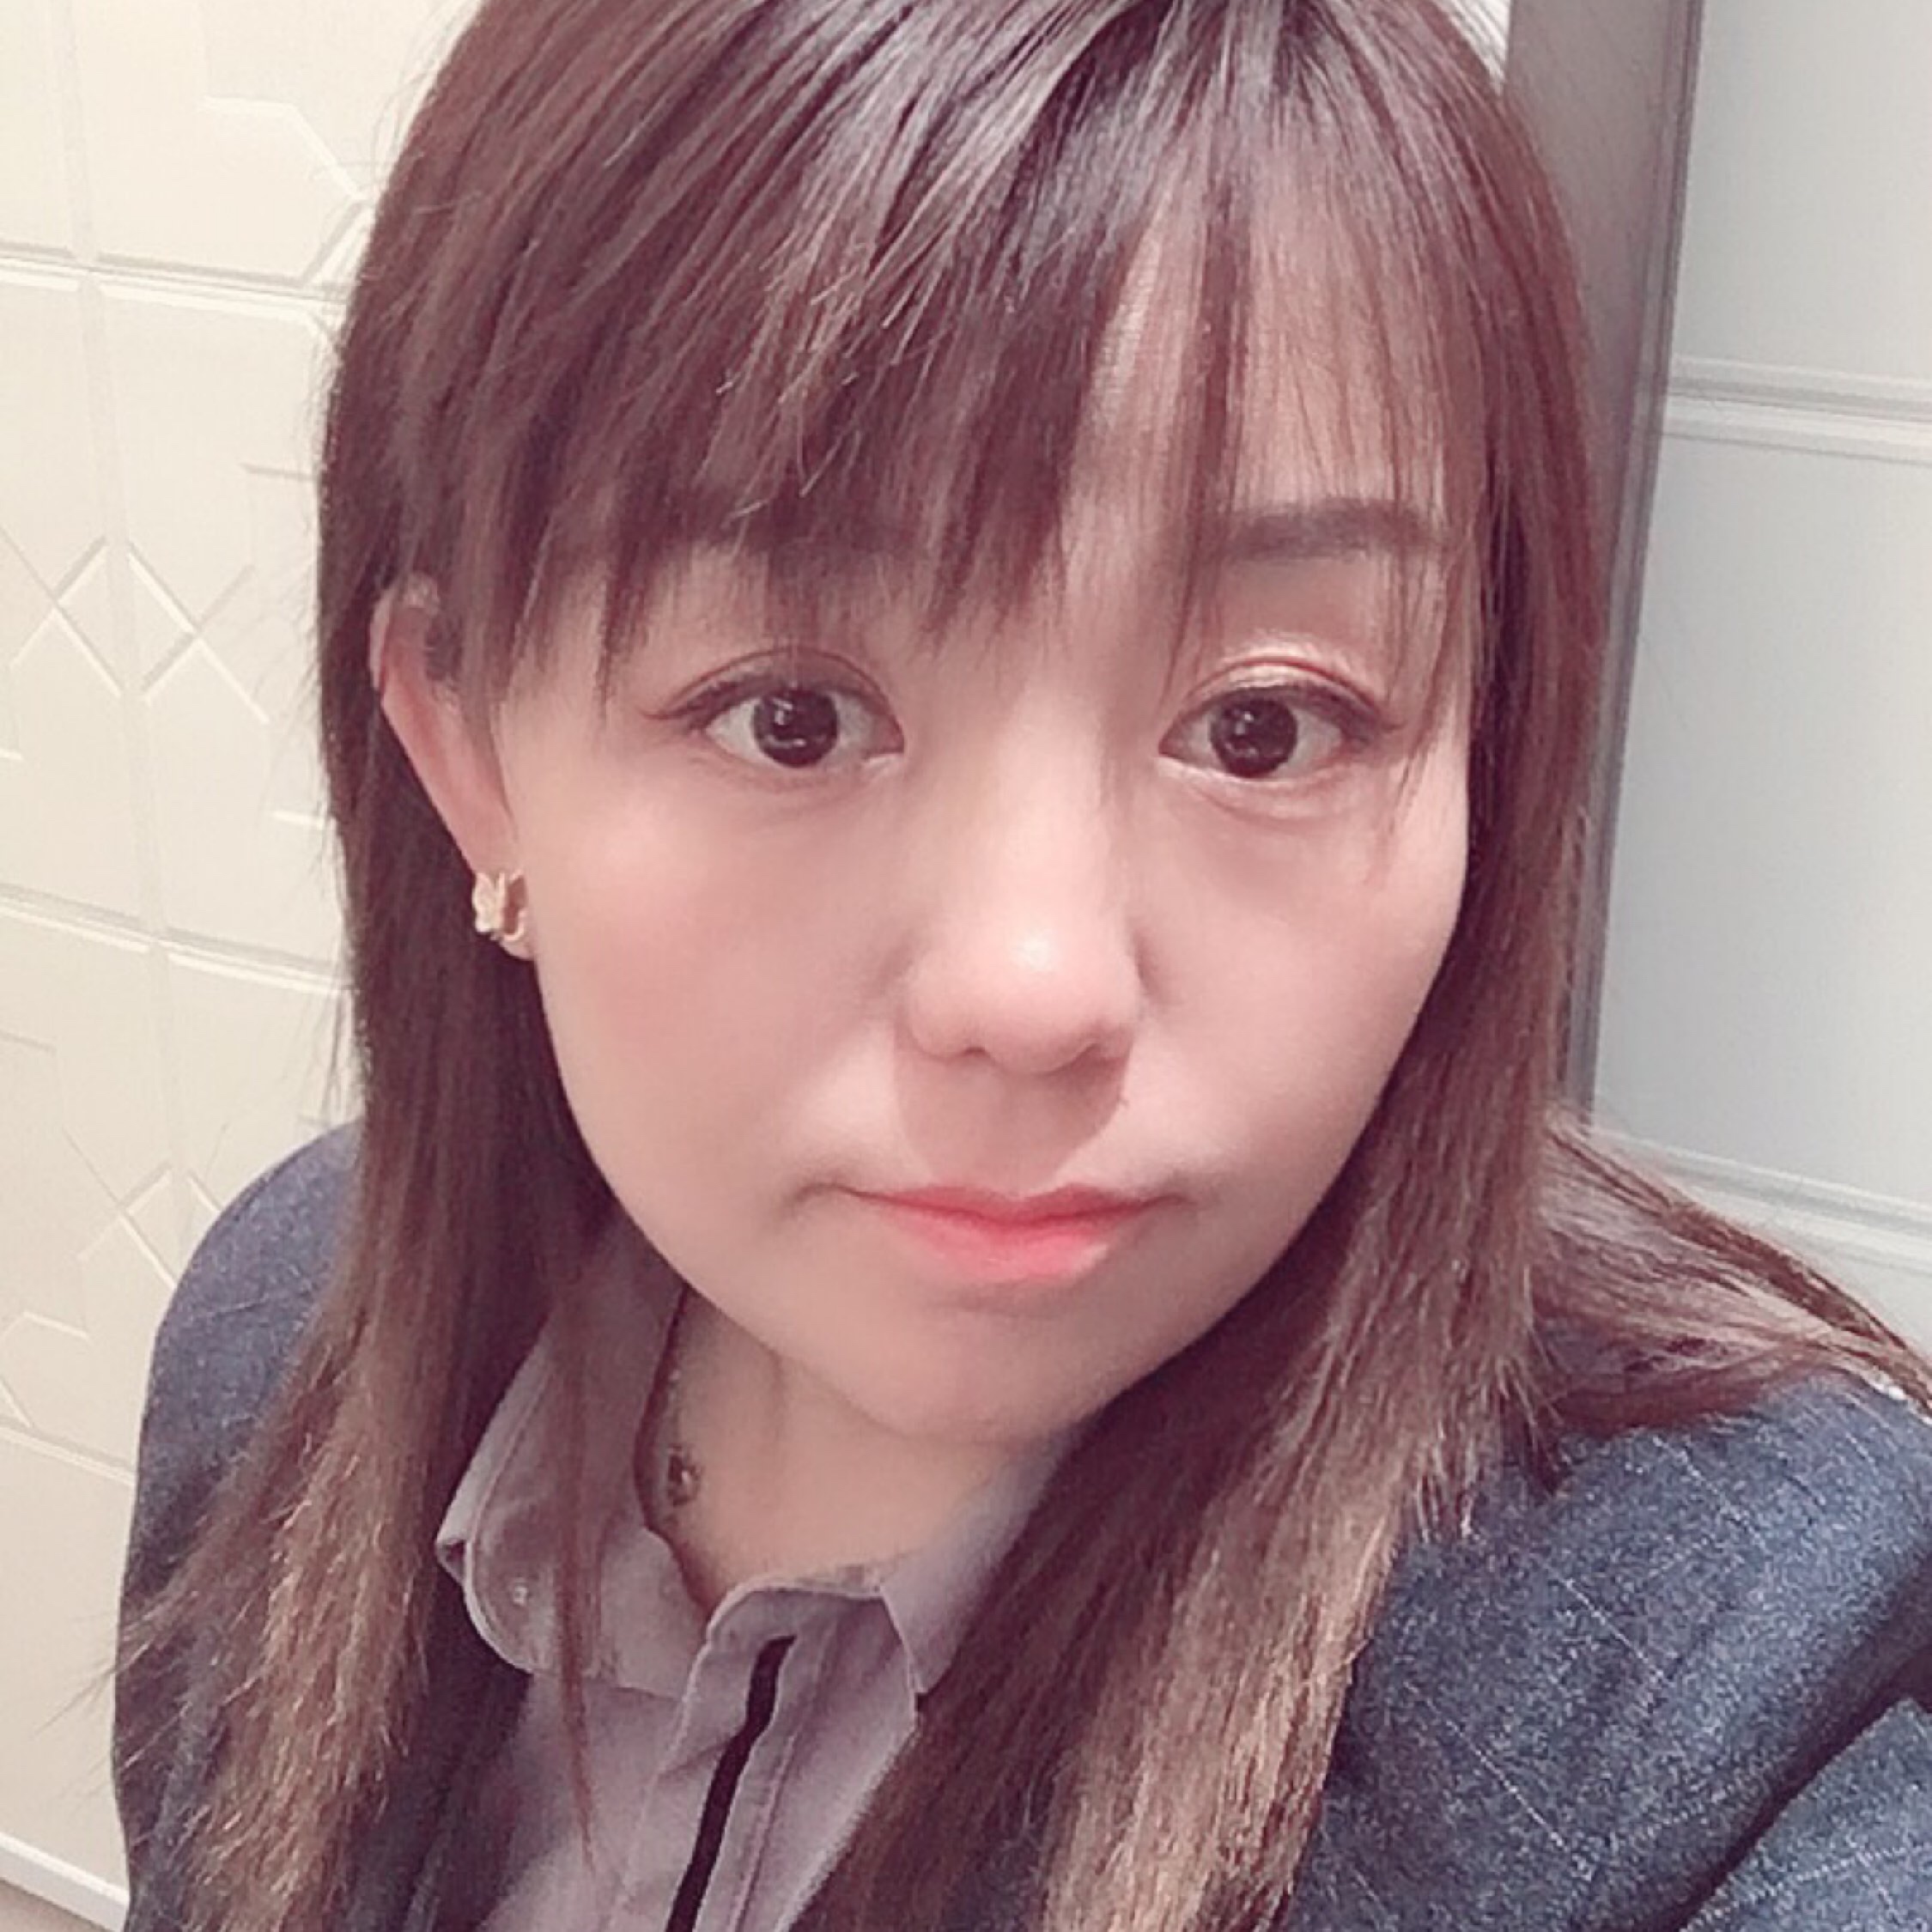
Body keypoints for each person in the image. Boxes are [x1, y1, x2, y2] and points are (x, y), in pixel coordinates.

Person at [112, 3, 1932, 1929]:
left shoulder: (1727, 1680)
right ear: (470, 749)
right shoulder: (287, 1349)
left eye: (1264, 729)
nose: (1035, 989)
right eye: (792, 716)